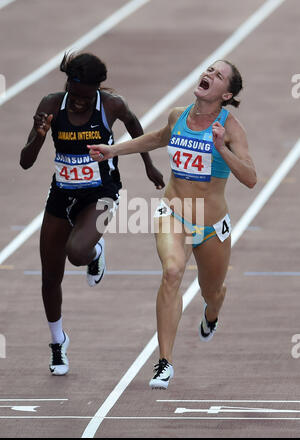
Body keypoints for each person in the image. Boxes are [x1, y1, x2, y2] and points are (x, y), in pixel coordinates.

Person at [88, 60, 257, 389]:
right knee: (172, 271)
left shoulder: (232, 128)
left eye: (218, 75)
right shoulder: (177, 115)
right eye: (209, 70)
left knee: (213, 291)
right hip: (174, 212)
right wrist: (112, 150)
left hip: (212, 226)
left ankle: (212, 314)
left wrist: (221, 147)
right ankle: (164, 361)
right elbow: (157, 138)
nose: (209, 75)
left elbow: (250, 178)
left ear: (227, 94)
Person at [19, 52, 164, 376]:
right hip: (62, 194)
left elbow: (133, 124)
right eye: (75, 96)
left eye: (86, 98)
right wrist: (40, 137)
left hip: (101, 192)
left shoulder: (111, 105)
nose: (79, 104)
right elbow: (25, 162)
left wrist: (148, 164)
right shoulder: (52, 104)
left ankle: (95, 251)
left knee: (77, 251)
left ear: (96, 90)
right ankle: (58, 342)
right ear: (68, 84)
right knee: (49, 275)